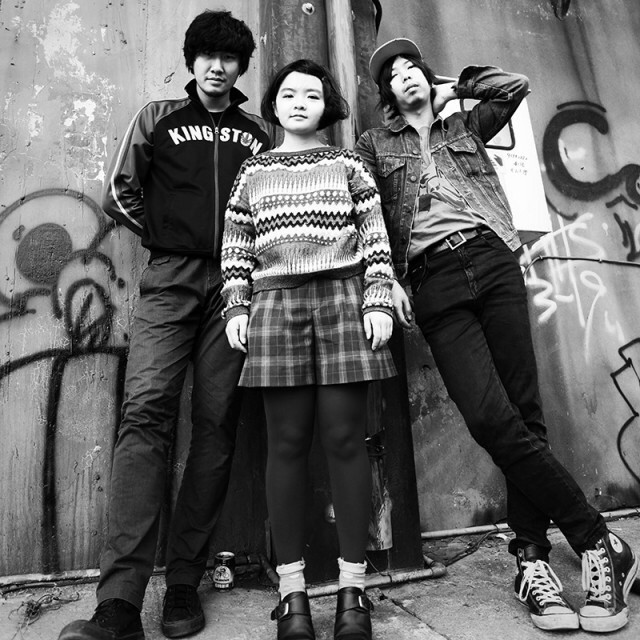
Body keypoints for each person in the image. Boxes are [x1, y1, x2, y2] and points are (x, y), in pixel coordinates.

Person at [355, 38, 639, 634]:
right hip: (431, 279)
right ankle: (597, 538)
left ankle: (531, 560)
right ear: (386, 95)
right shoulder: (374, 144)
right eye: (393, 74)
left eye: (412, 67)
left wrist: (452, 88)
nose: (405, 75)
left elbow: (514, 86)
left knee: (525, 415)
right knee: (490, 417)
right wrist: (385, 280)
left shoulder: (465, 123)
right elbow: (368, 216)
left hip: (493, 260)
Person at [58, 11, 271, 640]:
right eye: (206, 55)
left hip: (236, 287)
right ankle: (119, 603)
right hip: (171, 279)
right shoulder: (158, 117)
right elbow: (119, 193)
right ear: (191, 61)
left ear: (240, 67)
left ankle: (183, 584)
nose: (216, 66)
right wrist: (169, 236)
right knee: (146, 412)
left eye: (228, 58)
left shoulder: (258, 133)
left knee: (215, 423)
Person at [221, 58, 396, 640]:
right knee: (287, 444)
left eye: (312, 95)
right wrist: (236, 306)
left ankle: (353, 592)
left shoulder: (348, 164)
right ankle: (291, 595)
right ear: (273, 104)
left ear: (328, 107)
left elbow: (375, 236)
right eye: (289, 94)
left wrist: (378, 298)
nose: (299, 102)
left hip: (345, 300)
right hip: (275, 305)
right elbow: (236, 244)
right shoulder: (253, 171)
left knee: (345, 441)